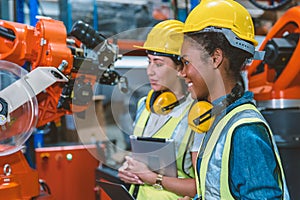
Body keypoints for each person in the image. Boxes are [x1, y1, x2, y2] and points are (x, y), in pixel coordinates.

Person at [177, 0, 291, 199]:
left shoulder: (244, 131)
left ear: (215, 58)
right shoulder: (222, 120)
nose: (183, 72)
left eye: (187, 62)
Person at [118, 19, 202, 199]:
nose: (150, 71)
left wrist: (154, 178)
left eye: (158, 63)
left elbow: (200, 186)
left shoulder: (198, 114)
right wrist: (128, 169)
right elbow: (139, 160)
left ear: (180, 67)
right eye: (149, 61)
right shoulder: (144, 106)